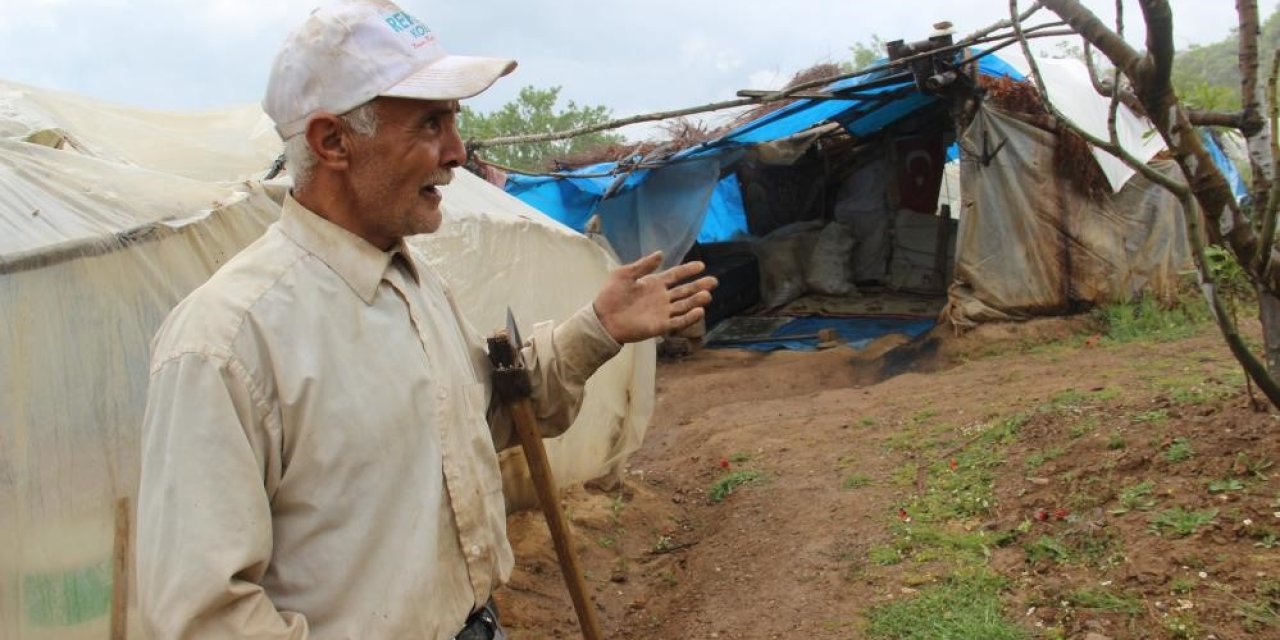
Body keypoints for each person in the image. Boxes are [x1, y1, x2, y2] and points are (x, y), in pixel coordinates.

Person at [133, 1, 716, 638]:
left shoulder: (411, 283)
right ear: (333, 142)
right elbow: (204, 617)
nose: (459, 152)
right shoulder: (226, 343)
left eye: (453, 123)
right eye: (431, 124)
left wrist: (595, 328)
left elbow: (486, 416)